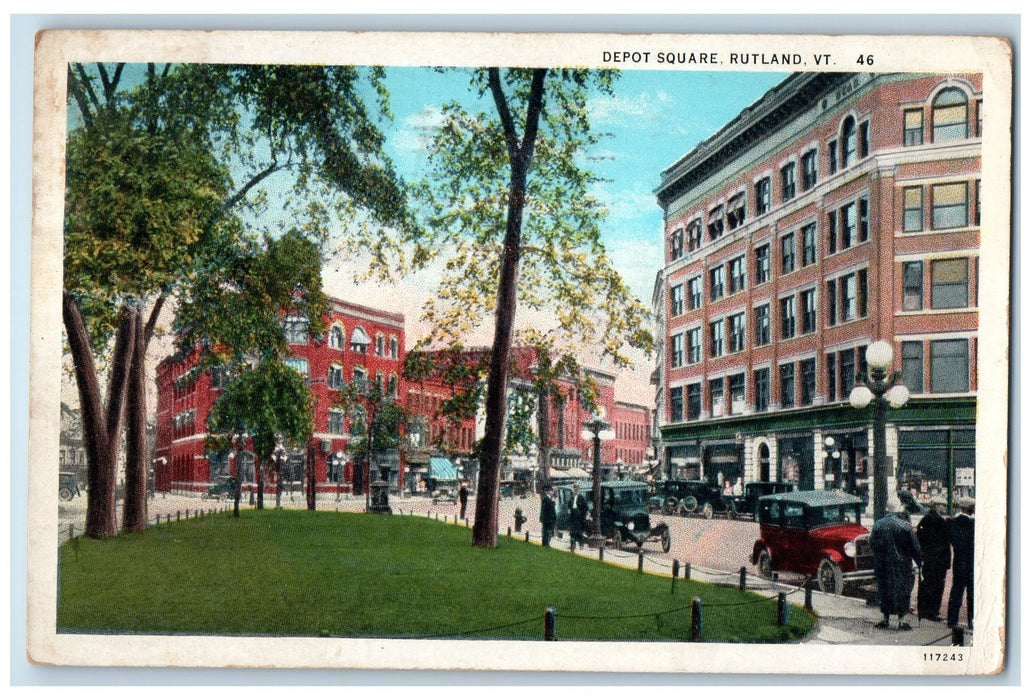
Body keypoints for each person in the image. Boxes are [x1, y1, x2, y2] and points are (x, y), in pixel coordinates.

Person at [870, 510, 923, 631]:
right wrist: (920, 561)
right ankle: (901, 620)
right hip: (902, 564)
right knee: (903, 590)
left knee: (884, 590)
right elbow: (914, 547)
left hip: (883, 564)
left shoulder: (878, 524)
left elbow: (872, 543)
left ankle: (886, 618)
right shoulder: (904, 526)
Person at [916, 499, 951, 621]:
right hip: (939, 560)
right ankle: (933, 612)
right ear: (936, 506)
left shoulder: (925, 519)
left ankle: (923, 610)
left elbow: (919, 537)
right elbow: (945, 542)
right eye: (943, 505)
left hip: (928, 558)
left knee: (926, 584)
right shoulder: (940, 521)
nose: (944, 507)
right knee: (937, 586)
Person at [946, 499, 975, 630]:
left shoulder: (952, 523)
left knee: (956, 591)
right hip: (971, 562)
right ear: (971, 509)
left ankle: (952, 620)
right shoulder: (974, 524)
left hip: (958, 561)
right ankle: (971, 621)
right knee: (972, 594)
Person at [569, 483, 589, 550]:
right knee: (572, 532)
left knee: (579, 532)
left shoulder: (581, 497)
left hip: (579, 518)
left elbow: (586, 507)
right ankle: (572, 544)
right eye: (574, 488)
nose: (575, 490)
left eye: (577, 488)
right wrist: (569, 510)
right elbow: (569, 506)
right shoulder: (571, 497)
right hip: (573, 517)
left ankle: (581, 544)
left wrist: (583, 515)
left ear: (579, 489)